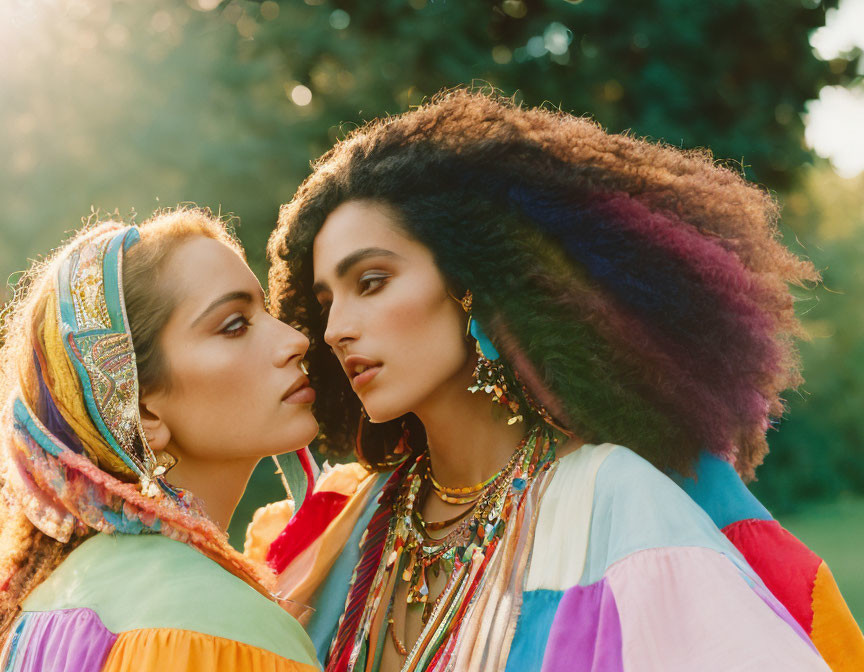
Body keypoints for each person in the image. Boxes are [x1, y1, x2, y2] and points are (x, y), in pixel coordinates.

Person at [259, 90, 863, 671]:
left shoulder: (614, 499)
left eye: (370, 282)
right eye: (325, 301)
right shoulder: (352, 520)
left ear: (469, 280)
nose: (335, 329)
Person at [0, 209, 321, 671]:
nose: (294, 340)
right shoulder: (217, 625)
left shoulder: (43, 602)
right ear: (144, 409)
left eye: (265, 311)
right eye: (234, 325)